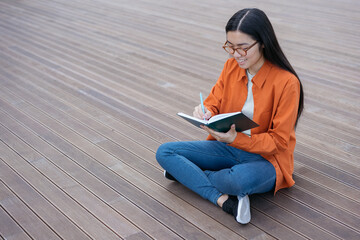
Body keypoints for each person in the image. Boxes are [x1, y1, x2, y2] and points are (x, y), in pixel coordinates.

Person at [156, 8, 304, 224]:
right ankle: (223, 200)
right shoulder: (231, 67)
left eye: (243, 48)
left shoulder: (287, 83)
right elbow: (214, 101)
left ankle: (188, 175)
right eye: (230, 47)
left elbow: (279, 142)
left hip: (267, 160)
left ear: (262, 42)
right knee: (165, 152)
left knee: (239, 181)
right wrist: (206, 111)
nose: (235, 54)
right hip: (226, 147)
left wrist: (237, 139)